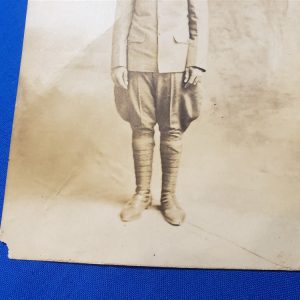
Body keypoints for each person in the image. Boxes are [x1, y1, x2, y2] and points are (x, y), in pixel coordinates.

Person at [111, 0, 209, 226]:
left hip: (177, 60)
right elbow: (121, 17)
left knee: (172, 130)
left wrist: (197, 62)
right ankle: (141, 195)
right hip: (138, 59)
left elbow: (199, 19)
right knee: (140, 128)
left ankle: (168, 197)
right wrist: (118, 63)